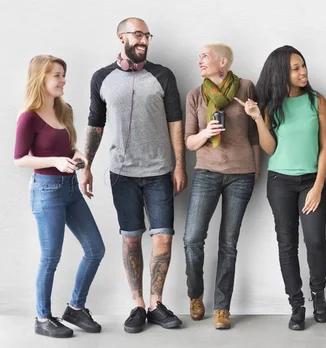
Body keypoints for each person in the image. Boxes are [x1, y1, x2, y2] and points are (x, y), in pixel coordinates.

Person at [81, 17, 187, 333]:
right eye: (137, 34)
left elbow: (175, 122)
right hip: (121, 174)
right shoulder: (101, 78)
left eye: (147, 35)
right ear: (121, 37)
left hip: (159, 172)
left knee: (164, 237)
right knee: (130, 239)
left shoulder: (163, 76)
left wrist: (180, 165)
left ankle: (156, 303)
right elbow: (95, 123)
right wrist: (86, 164)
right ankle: (137, 304)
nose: (143, 40)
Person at [236, 45, 326, 330]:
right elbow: (269, 148)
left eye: (303, 65)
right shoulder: (270, 106)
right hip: (280, 183)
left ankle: (318, 293)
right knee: (286, 244)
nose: (303, 72)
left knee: (315, 241)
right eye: (295, 68)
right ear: (282, 73)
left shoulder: (317, 101)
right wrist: (256, 117)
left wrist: (318, 185)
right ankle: (297, 304)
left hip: (311, 181)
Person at [14, 55, 105, 338]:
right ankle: (43, 318)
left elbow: (69, 146)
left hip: (71, 190)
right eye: (56, 75)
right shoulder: (29, 116)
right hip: (47, 192)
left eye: (63, 74)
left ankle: (75, 308)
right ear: (40, 78)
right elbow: (19, 159)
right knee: (50, 257)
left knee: (95, 250)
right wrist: (54, 161)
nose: (63, 80)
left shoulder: (64, 109)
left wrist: (77, 154)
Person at [183, 43, 260, 330]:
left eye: (205, 56)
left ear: (222, 62)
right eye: (199, 56)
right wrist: (206, 133)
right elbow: (189, 142)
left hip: (241, 175)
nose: (200, 61)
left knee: (228, 244)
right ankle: (195, 295)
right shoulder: (195, 95)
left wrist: (255, 170)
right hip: (206, 172)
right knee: (192, 239)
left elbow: (254, 135)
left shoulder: (247, 87)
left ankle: (222, 307)